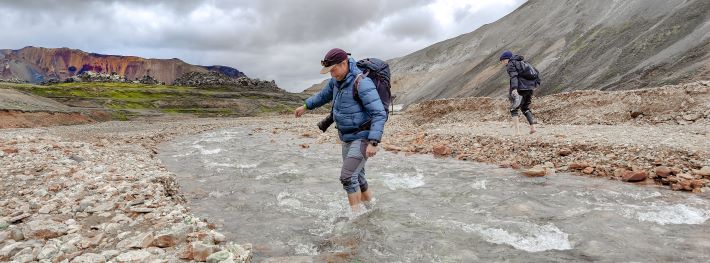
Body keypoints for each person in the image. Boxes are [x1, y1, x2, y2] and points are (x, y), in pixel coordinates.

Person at [294, 48, 387, 214]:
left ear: (344, 63)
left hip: (363, 137)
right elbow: (322, 96)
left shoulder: (362, 83)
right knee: (357, 177)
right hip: (346, 137)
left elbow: (379, 113)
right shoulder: (336, 81)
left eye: (333, 70)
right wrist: (306, 106)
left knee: (347, 176)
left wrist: (374, 141)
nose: (332, 74)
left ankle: (356, 219)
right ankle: (373, 210)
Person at [500, 50, 539, 135]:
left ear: (507, 59)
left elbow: (514, 76)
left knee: (514, 109)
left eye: (502, 60)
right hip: (530, 88)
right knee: (525, 108)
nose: (502, 63)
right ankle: (533, 128)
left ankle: (517, 132)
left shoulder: (511, 64)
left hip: (520, 89)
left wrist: (514, 88)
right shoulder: (524, 62)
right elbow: (536, 73)